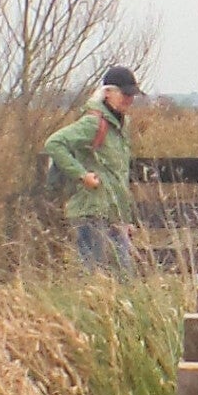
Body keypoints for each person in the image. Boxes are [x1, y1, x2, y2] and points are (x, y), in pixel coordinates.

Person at [44, 65, 141, 269]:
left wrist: (126, 218)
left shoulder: (122, 125)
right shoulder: (93, 123)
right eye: (124, 94)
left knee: (123, 274)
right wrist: (82, 175)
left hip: (113, 213)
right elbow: (54, 143)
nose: (129, 99)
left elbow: (119, 174)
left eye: (132, 95)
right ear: (108, 93)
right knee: (94, 272)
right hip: (91, 210)